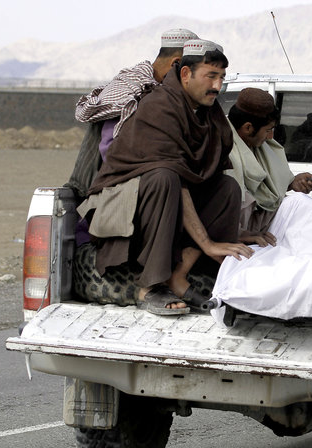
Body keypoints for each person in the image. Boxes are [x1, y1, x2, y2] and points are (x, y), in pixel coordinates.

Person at [77, 39, 253, 315]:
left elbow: (210, 168)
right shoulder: (159, 106)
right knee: (165, 177)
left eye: (221, 78)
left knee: (227, 187)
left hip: (170, 198)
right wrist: (206, 242)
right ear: (185, 74)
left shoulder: (208, 111)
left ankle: (178, 277)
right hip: (123, 207)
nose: (218, 86)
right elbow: (174, 175)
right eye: (211, 76)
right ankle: (151, 285)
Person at [65, 28, 199, 199]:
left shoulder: (159, 91)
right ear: (176, 63)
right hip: (110, 189)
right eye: (187, 72)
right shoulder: (132, 91)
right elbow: (112, 150)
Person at [225, 87, 312, 247]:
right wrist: (240, 235)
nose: (271, 136)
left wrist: (292, 183)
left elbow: (268, 185)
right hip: (241, 235)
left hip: (265, 224)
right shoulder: (223, 150)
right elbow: (226, 209)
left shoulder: (258, 144)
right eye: (268, 130)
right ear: (248, 128)